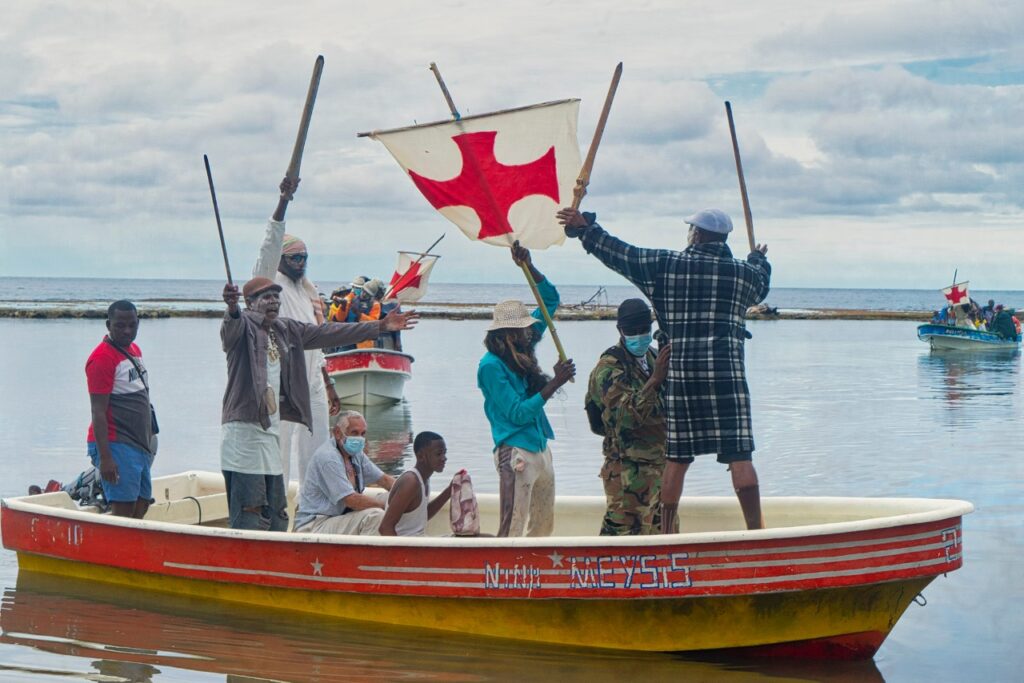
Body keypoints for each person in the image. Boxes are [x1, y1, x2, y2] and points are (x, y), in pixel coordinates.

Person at [558, 206, 770, 532]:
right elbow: (761, 281)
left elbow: (620, 254)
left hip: (682, 377)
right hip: (728, 378)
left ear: (696, 235)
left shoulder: (666, 266)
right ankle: (756, 531)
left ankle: (668, 534)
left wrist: (586, 230)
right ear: (723, 238)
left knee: (677, 460)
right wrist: (757, 258)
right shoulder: (742, 274)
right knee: (741, 456)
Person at [221, 279, 417, 531]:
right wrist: (231, 308)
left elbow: (329, 332)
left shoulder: (285, 329)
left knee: (277, 509)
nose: (273, 301)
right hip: (243, 432)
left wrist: (379, 326)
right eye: (266, 297)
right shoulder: (243, 325)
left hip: (269, 431)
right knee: (250, 508)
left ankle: (280, 559)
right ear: (249, 303)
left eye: (276, 296)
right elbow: (230, 330)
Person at [477, 242, 576, 537]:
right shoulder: (491, 366)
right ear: (506, 334)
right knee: (514, 525)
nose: (529, 332)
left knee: (543, 523)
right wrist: (554, 383)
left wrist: (529, 265)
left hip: (539, 444)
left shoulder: (523, 345)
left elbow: (550, 299)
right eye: (522, 329)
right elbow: (518, 414)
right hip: (515, 449)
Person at [253, 176, 340, 487]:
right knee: (278, 453)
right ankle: (276, 513)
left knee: (318, 453)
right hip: (280, 383)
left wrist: (328, 384)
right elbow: (269, 243)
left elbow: (317, 341)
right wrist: (283, 201)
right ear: (282, 259)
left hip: (313, 382)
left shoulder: (306, 290)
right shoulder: (270, 280)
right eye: (295, 257)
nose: (301, 262)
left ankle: (313, 512)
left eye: (305, 257)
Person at [587, 298, 670, 535]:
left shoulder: (655, 358)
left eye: (644, 330)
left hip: (661, 467)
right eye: (631, 331)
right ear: (620, 331)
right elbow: (625, 418)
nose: (639, 336)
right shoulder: (609, 368)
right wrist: (654, 381)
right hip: (627, 472)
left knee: (663, 536)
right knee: (621, 540)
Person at [85, 300, 156, 519]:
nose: (127, 331)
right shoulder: (101, 359)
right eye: (120, 325)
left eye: (132, 325)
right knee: (123, 510)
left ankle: (132, 551)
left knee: (143, 501)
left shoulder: (134, 350)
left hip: (139, 443)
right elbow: (98, 411)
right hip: (116, 442)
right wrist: (106, 457)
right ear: (108, 325)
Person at [294, 410, 396, 535]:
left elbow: (384, 480)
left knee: (394, 498)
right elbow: (351, 500)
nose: (359, 438)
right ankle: (364, 554)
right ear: (337, 433)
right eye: (354, 433)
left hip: (338, 518)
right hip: (315, 524)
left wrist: (407, 491)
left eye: (363, 434)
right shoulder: (328, 458)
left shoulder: (356, 455)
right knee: (375, 515)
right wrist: (388, 507)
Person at [379, 431, 453, 536]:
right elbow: (385, 527)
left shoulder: (424, 478)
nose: (444, 458)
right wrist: (400, 553)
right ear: (421, 456)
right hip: (408, 548)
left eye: (444, 453)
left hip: (419, 543)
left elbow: (421, 516)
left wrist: (449, 491)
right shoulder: (411, 482)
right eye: (438, 454)